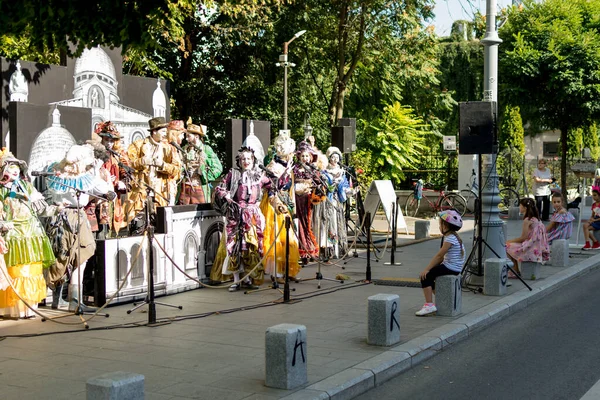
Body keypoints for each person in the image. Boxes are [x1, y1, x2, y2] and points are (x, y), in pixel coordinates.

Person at [44, 144, 116, 311]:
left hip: (56, 216)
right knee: (80, 258)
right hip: (75, 217)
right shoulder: (85, 177)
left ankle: (57, 299)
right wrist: (97, 172)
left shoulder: (56, 174)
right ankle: (74, 301)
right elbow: (105, 189)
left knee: (61, 256)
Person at [0, 150, 58, 318]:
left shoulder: (26, 186)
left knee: (31, 270)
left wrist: (56, 208)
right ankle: (13, 309)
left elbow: (41, 208)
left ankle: (28, 308)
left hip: (31, 235)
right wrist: (3, 225)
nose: (15, 170)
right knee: (17, 272)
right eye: (11, 167)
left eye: (17, 167)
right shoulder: (1, 190)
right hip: (13, 237)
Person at [214, 147, 272, 292]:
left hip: (252, 216)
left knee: (251, 247)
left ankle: (247, 278)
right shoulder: (233, 174)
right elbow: (219, 188)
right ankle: (235, 280)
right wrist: (226, 194)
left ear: (253, 160)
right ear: (239, 161)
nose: (246, 161)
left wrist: (270, 197)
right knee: (234, 248)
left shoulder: (259, 175)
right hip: (235, 214)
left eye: (249, 158)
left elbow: (272, 185)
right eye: (243, 159)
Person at [126, 117, 180, 233]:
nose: (166, 134)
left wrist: (163, 165)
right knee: (138, 229)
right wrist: (142, 161)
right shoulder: (138, 145)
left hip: (160, 194)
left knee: (159, 229)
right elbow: (127, 165)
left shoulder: (168, 149)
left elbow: (177, 170)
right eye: (163, 131)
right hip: (141, 195)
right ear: (154, 131)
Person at [260, 132, 301, 283]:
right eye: (291, 153)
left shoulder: (288, 167)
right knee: (276, 238)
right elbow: (270, 189)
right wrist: (277, 204)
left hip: (285, 202)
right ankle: (276, 273)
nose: (292, 155)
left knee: (288, 238)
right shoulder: (275, 166)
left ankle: (288, 270)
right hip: (274, 205)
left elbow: (289, 188)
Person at [416, 210, 465, 317]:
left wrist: (426, 269)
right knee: (431, 276)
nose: (439, 227)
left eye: (440, 224)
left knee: (425, 276)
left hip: (451, 267)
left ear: (445, 226)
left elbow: (439, 256)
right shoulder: (454, 237)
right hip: (454, 267)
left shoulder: (450, 238)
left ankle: (429, 305)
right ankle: (444, 298)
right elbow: (441, 258)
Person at [96, 121, 130, 236]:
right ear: (102, 140)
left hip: (114, 197)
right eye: (107, 140)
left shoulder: (116, 155)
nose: (109, 143)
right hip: (99, 197)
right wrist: (104, 178)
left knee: (111, 230)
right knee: (101, 230)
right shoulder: (96, 154)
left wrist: (121, 181)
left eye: (112, 141)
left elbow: (125, 172)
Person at [317, 146, 351, 260]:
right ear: (329, 158)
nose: (335, 160)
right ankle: (329, 249)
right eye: (333, 157)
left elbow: (346, 186)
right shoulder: (324, 171)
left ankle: (339, 248)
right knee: (329, 223)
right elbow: (323, 186)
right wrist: (331, 184)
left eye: (337, 157)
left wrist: (347, 190)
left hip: (337, 200)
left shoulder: (342, 171)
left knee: (338, 222)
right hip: (328, 200)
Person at [293, 140, 323, 264]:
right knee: (298, 223)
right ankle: (301, 250)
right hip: (296, 199)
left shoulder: (312, 170)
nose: (305, 158)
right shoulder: (294, 169)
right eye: (303, 155)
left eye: (307, 156)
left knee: (307, 223)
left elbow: (319, 183)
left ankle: (309, 249)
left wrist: (313, 186)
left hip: (307, 200)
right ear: (299, 156)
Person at [178, 123, 223, 205]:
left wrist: (204, 175)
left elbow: (218, 168)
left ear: (196, 136)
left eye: (189, 136)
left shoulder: (206, 149)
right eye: (186, 136)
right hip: (185, 187)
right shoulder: (184, 149)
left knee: (200, 212)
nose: (186, 139)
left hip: (199, 187)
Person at [506, 198, 550, 275]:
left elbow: (523, 238)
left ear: (525, 208)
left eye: (520, 205)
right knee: (510, 245)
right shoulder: (536, 219)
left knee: (506, 246)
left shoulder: (527, 220)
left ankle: (515, 271)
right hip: (537, 247)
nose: (519, 207)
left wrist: (509, 241)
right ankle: (515, 271)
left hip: (530, 248)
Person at [166, 120, 186, 206]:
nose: (183, 137)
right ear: (175, 134)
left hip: (173, 185)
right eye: (182, 134)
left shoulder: (176, 148)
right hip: (166, 186)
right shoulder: (168, 147)